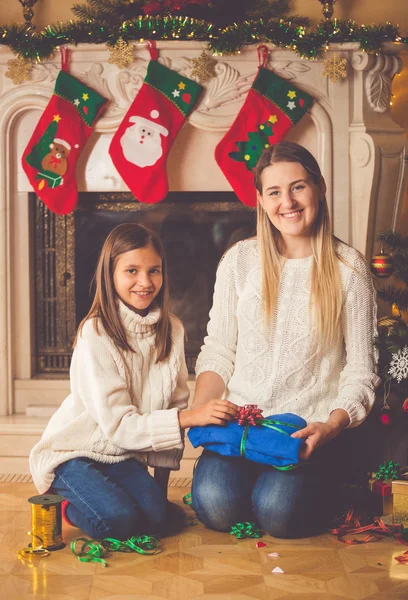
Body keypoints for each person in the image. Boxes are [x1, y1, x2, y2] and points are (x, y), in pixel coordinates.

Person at [191, 142, 380, 538]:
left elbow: (362, 371)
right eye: (274, 192)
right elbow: (219, 348)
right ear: (260, 200)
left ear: (319, 188)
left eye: (298, 187)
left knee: (276, 514)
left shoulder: (349, 269)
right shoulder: (239, 261)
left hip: (305, 432)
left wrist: (330, 426)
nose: (287, 202)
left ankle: (321, 483)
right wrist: (200, 410)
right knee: (215, 506)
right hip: (241, 424)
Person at [29, 223, 236, 540]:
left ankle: (126, 502)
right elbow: (123, 426)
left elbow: (174, 405)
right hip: (74, 454)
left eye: (154, 271)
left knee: (158, 519)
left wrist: (158, 497)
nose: (145, 282)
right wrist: (191, 417)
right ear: (110, 276)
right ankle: (66, 503)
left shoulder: (173, 329)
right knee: (118, 522)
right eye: (131, 271)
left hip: (123, 456)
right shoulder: (95, 334)